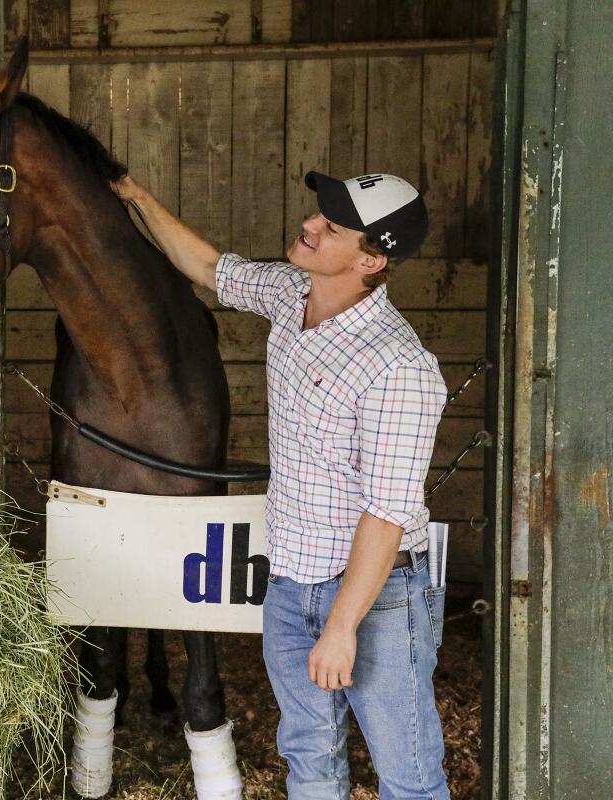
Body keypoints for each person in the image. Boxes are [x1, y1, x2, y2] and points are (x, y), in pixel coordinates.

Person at [113, 171, 450, 799]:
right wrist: (135, 196)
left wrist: (343, 626)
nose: (311, 225)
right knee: (308, 756)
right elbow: (209, 266)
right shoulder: (291, 293)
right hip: (291, 584)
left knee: (409, 775)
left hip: (374, 599)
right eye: (319, 212)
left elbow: (385, 514)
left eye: (333, 226)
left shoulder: (399, 367)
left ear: (373, 258)